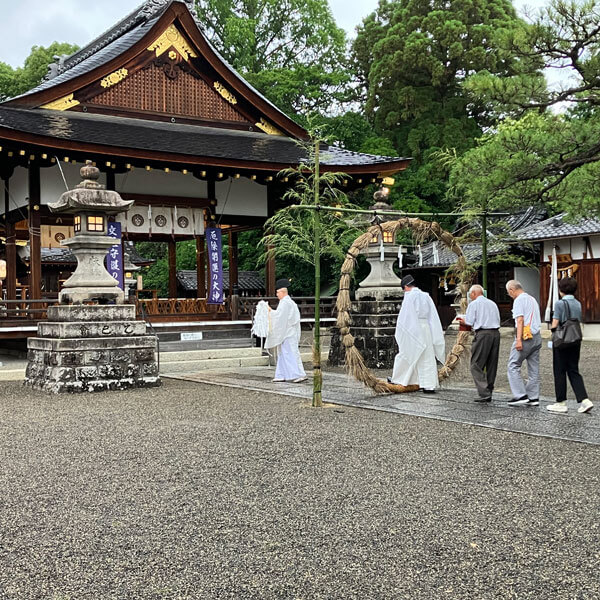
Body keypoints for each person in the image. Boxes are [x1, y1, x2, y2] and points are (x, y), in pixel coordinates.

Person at [389, 274, 445, 392]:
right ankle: (429, 385)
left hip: (413, 327)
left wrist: (402, 331)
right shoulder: (426, 296)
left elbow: (405, 317)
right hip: (426, 328)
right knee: (427, 356)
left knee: (407, 353)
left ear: (405, 287)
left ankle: (400, 379)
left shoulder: (409, 297)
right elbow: (433, 316)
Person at [547, 277, 593, 414]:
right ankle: (585, 400)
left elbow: (555, 323)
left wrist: (551, 332)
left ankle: (561, 402)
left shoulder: (560, 303)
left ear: (561, 290)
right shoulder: (578, 303)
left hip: (562, 340)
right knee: (573, 370)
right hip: (575, 339)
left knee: (559, 370)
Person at [460, 284, 501, 403]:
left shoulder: (474, 304)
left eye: (471, 294)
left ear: (474, 293)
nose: (470, 296)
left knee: (476, 364)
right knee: (491, 364)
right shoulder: (492, 303)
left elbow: (469, 321)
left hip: (483, 333)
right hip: (495, 333)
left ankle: (484, 392)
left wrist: (462, 320)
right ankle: (489, 389)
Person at [506, 280, 542, 406]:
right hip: (536, 336)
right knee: (534, 368)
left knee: (513, 365)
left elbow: (520, 320)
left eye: (508, 292)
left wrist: (518, 339)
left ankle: (520, 395)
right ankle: (533, 397)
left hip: (525, 336)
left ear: (512, 290)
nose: (509, 295)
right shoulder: (532, 299)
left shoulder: (519, 300)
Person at [265, 279, 307, 383]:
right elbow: (281, 316)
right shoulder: (288, 302)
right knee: (283, 353)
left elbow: (280, 317)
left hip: (289, 332)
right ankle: (281, 374)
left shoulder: (285, 303)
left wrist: (270, 311)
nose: (277, 295)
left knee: (290, 353)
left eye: (277, 292)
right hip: (287, 332)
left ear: (283, 292)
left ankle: (299, 374)